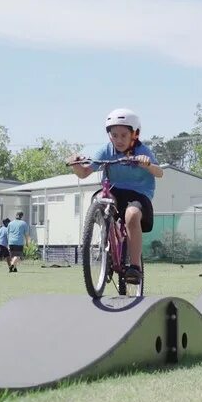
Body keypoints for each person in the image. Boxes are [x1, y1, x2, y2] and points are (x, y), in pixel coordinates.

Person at [68, 108, 163, 285]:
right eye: (114, 135)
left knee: (132, 215)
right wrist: (76, 164)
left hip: (138, 194)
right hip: (113, 190)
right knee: (99, 200)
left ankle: (134, 267)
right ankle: (106, 241)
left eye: (123, 135)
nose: (118, 140)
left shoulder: (142, 150)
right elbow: (84, 173)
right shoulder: (105, 150)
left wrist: (146, 164)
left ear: (134, 134)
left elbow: (159, 173)